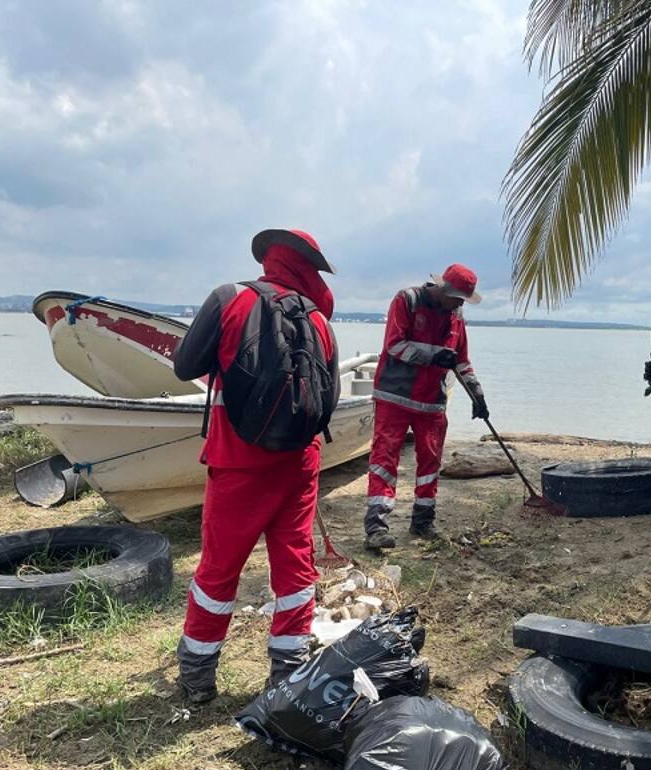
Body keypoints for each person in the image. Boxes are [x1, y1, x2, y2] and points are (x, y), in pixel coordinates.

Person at [171, 228, 337, 703]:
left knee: (219, 570)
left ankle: (198, 679)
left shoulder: (230, 298)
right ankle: (288, 676)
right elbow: (328, 402)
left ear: (268, 260)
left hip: (238, 462)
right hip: (299, 464)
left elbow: (185, 366)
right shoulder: (319, 320)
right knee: (295, 568)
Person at [364, 264, 487, 549]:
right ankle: (376, 528)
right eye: (457, 299)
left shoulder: (456, 315)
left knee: (431, 461)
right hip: (394, 397)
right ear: (443, 289)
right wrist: (434, 356)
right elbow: (394, 345)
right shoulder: (407, 300)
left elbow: (460, 360)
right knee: (384, 459)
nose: (459, 305)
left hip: (431, 402)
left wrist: (477, 394)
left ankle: (423, 521)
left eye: (463, 301)